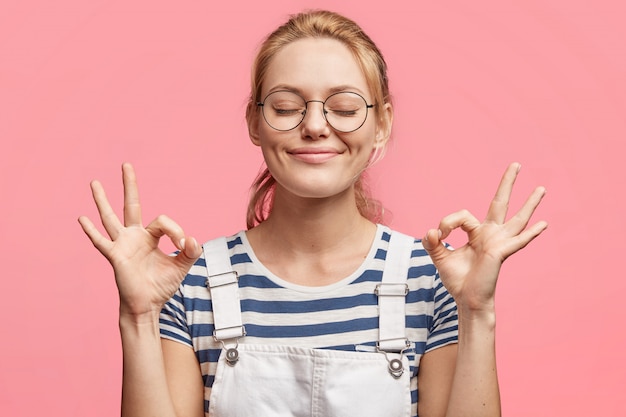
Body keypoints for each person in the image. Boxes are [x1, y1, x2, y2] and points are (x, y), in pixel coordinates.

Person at [78, 10, 547, 417]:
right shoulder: (189, 281)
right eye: (286, 107)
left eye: (345, 108)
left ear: (382, 125)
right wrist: (138, 315)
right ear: (254, 123)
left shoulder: (436, 280)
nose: (316, 125)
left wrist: (476, 311)